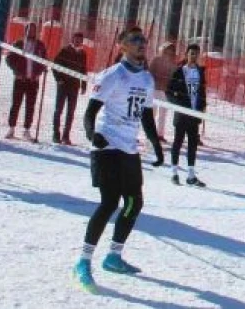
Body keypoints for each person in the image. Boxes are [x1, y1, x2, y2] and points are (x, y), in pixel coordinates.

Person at [74, 28, 165, 293]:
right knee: (109, 203)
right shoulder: (113, 75)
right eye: (135, 40)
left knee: (135, 202)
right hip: (107, 145)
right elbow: (91, 111)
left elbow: (146, 117)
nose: (141, 44)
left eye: (144, 40)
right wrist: (93, 135)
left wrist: (157, 146)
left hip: (128, 148)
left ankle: (113, 256)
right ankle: (83, 262)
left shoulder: (147, 79)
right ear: (122, 45)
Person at [166, 42, 207, 187]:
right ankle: (174, 173)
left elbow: (202, 92)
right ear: (186, 55)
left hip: (194, 114)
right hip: (182, 113)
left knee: (192, 144)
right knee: (177, 142)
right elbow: (169, 92)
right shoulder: (179, 71)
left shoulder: (200, 72)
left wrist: (202, 107)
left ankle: (191, 175)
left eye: (196, 54)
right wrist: (178, 105)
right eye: (191, 54)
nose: (194, 56)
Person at [5, 23, 47, 140]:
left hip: (33, 81)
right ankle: (11, 128)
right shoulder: (18, 44)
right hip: (20, 80)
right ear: (25, 30)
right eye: (29, 29)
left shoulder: (40, 45)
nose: (31, 32)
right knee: (16, 104)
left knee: (30, 105)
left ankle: (27, 130)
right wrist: (17, 72)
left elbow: (44, 62)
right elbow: (9, 58)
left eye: (34, 30)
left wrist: (38, 73)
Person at [52, 32, 89, 145]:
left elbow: (83, 70)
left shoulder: (83, 53)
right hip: (63, 85)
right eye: (76, 39)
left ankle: (66, 136)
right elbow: (55, 65)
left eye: (80, 40)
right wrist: (59, 79)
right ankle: (56, 134)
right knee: (59, 110)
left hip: (74, 86)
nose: (78, 42)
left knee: (71, 112)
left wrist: (83, 85)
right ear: (72, 39)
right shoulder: (64, 50)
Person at [148, 40, 179, 142]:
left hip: (165, 92)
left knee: (163, 113)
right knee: (152, 112)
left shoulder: (173, 64)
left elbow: (174, 77)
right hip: (154, 90)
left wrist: (171, 86)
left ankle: (160, 134)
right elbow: (150, 72)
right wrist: (154, 81)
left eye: (171, 51)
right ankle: (150, 133)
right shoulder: (156, 60)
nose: (169, 53)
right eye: (167, 51)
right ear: (162, 50)